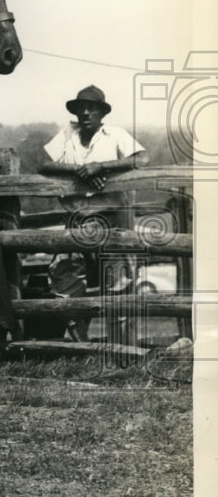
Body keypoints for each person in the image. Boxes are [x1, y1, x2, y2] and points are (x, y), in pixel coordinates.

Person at [38, 85, 148, 339]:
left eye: (92, 108)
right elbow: (43, 163)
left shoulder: (115, 134)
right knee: (65, 281)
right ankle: (82, 348)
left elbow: (142, 159)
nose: (86, 113)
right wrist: (80, 170)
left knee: (118, 284)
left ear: (101, 112)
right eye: (81, 109)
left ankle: (120, 350)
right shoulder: (68, 133)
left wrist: (101, 167)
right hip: (75, 221)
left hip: (110, 220)